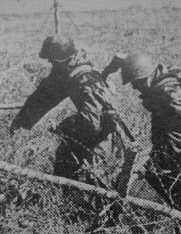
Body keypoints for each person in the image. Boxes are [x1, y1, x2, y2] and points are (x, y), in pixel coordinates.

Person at [9, 35, 128, 212]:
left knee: (93, 177)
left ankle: (99, 218)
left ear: (63, 59)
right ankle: (72, 211)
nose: (50, 62)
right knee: (65, 163)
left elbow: (92, 121)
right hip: (92, 128)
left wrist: (63, 127)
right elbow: (44, 96)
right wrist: (21, 121)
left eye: (53, 59)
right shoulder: (67, 71)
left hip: (103, 134)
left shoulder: (83, 78)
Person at [101, 52, 181, 220]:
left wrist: (159, 162)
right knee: (157, 175)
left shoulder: (168, 94)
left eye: (137, 82)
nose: (135, 88)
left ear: (148, 76)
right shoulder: (159, 86)